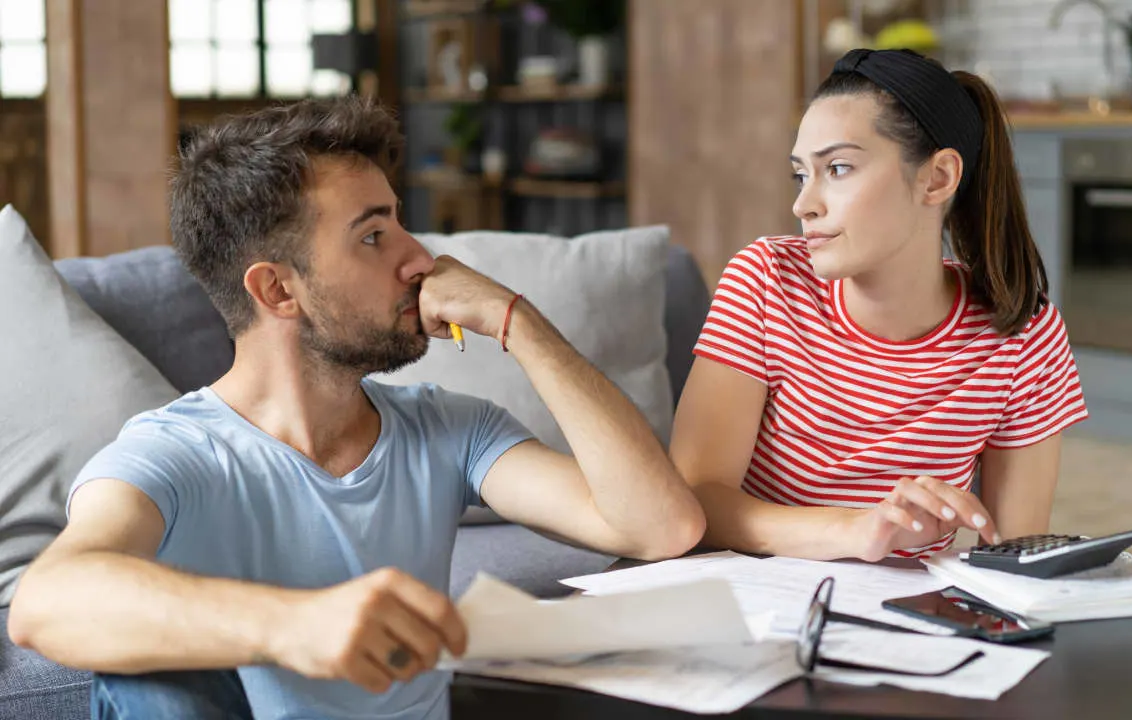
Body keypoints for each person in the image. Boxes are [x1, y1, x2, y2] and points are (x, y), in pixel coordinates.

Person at [8, 96, 705, 720]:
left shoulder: (451, 430)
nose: (419, 259)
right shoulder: (176, 454)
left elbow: (661, 526)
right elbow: (47, 603)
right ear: (278, 291)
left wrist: (516, 321)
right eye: (373, 237)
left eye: (400, 223)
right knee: (150, 684)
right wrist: (295, 624)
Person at [670, 49, 1088, 564]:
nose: (804, 205)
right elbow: (696, 502)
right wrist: (855, 531)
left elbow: (1011, 555)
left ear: (937, 178)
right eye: (801, 175)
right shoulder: (767, 281)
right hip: (762, 595)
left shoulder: (1025, 334)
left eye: (838, 168)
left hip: (907, 609)